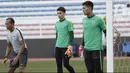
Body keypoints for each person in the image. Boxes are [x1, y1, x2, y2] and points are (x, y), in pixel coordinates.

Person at [80, 1, 106, 73]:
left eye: (84, 8)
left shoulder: (99, 20)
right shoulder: (84, 20)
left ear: (90, 8)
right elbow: (84, 33)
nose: (83, 10)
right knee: (90, 70)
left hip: (96, 49)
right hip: (87, 49)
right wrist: (81, 45)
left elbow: (105, 31)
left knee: (98, 70)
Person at [55, 7, 75, 73]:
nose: (58, 14)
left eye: (60, 13)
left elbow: (71, 35)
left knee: (66, 64)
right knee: (59, 65)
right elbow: (57, 35)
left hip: (66, 47)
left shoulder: (68, 23)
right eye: (57, 13)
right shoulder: (56, 23)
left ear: (64, 13)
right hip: (58, 47)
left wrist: (70, 45)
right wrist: (56, 43)